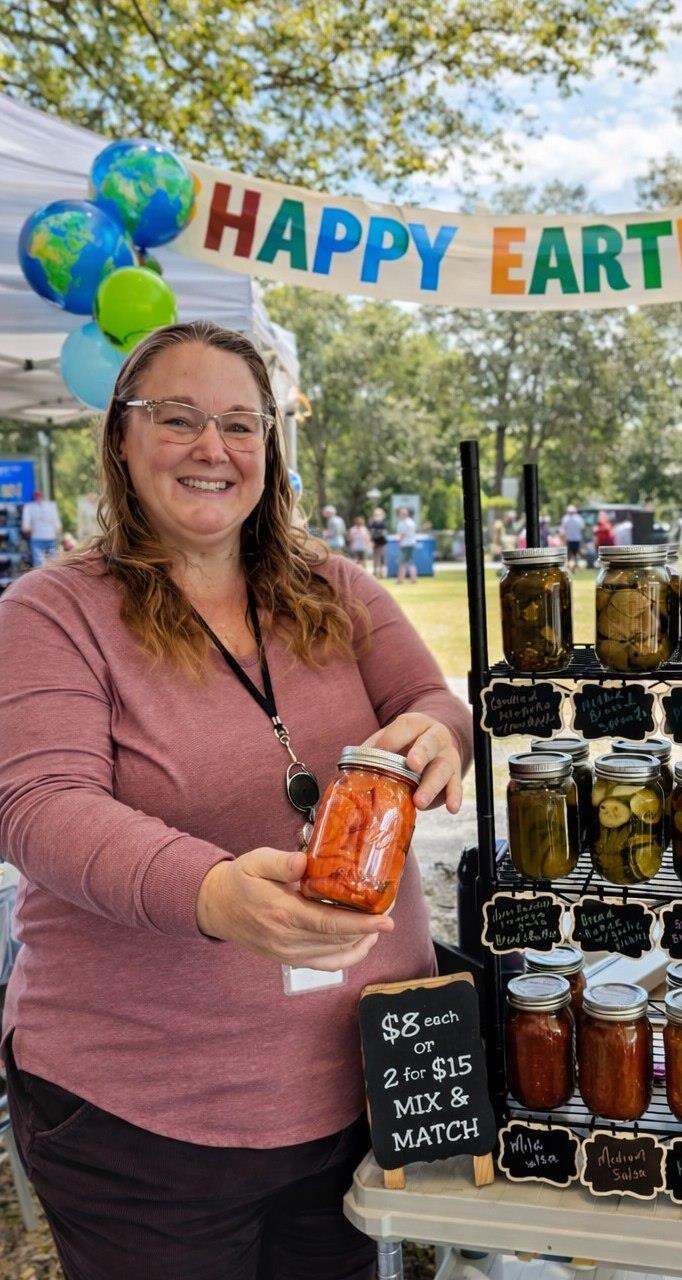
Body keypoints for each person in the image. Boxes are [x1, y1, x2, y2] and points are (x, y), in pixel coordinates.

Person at [0, 321, 471, 1278]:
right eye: (178, 419)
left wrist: (437, 733)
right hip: (146, 1125)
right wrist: (211, 893)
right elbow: (40, 806)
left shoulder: (335, 587)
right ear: (121, 439)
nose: (212, 447)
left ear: (270, 447)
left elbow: (432, 701)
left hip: (358, 1089)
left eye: (240, 424)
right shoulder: (51, 613)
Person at [20, 490, 61, 567]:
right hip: (48, 537)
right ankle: (52, 572)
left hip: (39, 537)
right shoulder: (51, 505)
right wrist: (57, 531)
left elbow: (25, 526)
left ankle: (42, 573)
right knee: (53, 560)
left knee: (39, 562)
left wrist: (26, 530)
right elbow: (57, 523)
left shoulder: (29, 506)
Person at [396, 506, 418, 583]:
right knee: (410, 562)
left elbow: (402, 534)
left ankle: (400, 579)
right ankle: (413, 579)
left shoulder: (403, 523)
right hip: (411, 543)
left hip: (405, 544)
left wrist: (399, 542)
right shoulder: (411, 522)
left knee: (402, 562)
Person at [560, 505, 583, 570]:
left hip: (572, 539)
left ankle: (571, 567)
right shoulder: (578, 518)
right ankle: (572, 567)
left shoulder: (566, 518)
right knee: (572, 554)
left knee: (571, 554)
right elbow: (581, 528)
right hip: (573, 539)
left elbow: (563, 529)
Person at [368, 506, 389, 578]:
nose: (377, 516)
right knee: (376, 559)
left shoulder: (383, 523)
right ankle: (376, 573)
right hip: (375, 543)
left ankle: (383, 574)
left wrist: (376, 532)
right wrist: (371, 541)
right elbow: (371, 533)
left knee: (382, 559)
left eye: (378, 514)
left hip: (382, 543)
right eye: (375, 514)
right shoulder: (372, 523)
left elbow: (383, 533)